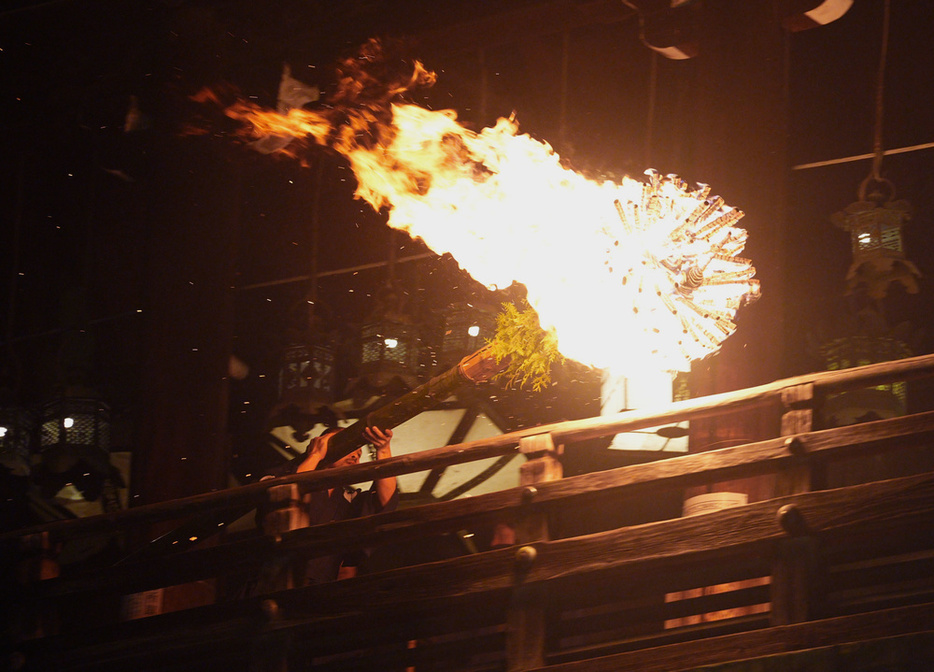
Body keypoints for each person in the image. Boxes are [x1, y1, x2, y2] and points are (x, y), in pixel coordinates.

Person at [255, 425, 399, 588]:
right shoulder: (283, 473)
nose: (355, 457)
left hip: (319, 587)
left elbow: (384, 502)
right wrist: (315, 456)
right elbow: (285, 495)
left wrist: (383, 450)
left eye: (359, 454)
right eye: (349, 448)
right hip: (273, 580)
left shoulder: (348, 500)